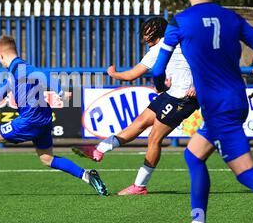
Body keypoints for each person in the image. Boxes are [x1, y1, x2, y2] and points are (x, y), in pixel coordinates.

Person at [151, 0, 253, 223]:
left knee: (246, 173)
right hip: (234, 100)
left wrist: (161, 90)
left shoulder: (179, 22)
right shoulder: (232, 18)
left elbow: (159, 70)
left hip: (219, 108)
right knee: (193, 155)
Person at [0, 35, 108, 196]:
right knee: (46, 158)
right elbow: (1, 93)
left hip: (31, 119)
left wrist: (60, 92)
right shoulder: (13, 73)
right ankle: (87, 175)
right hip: (43, 118)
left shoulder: (21, 69)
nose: (0, 62)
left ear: (1, 55)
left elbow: (44, 75)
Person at [72, 17, 199, 195]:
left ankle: (140, 186)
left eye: (148, 31)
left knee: (154, 138)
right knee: (139, 123)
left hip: (183, 98)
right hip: (170, 93)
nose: (145, 35)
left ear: (156, 32)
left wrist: (113, 73)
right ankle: (98, 150)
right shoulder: (170, 44)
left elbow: (132, 74)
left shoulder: (160, 48)